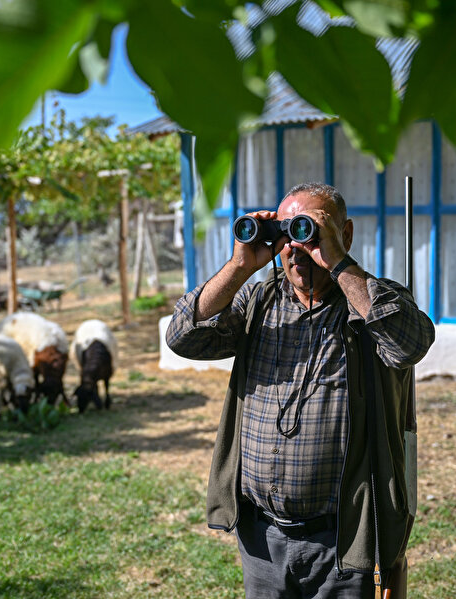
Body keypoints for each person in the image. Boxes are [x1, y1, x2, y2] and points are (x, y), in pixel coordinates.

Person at [166, 182, 435, 598]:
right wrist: (240, 266)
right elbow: (183, 336)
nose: (297, 247)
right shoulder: (259, 300)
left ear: (344, 235)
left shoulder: (371, 302)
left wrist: (338, 263)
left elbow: (410, 344)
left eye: (308, 231)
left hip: (344, 542)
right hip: (261, 538)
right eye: (286, 234)